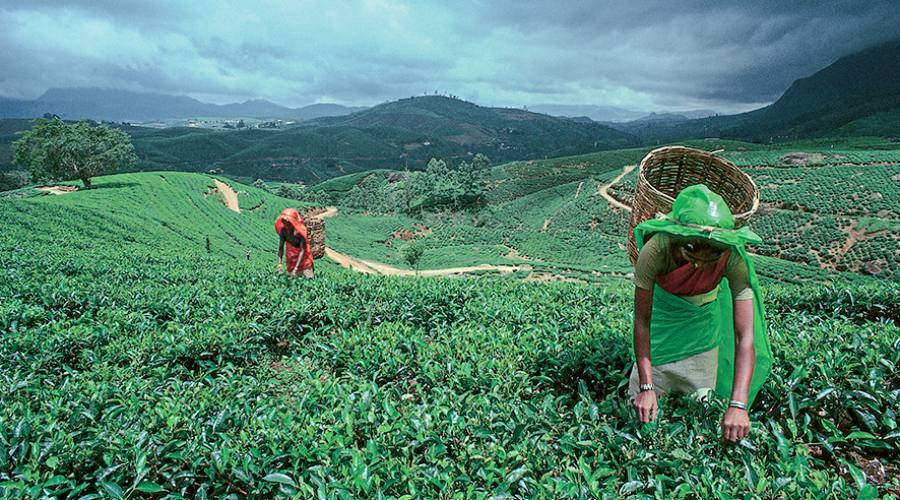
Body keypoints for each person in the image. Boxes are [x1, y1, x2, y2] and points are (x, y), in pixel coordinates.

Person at [628, 184, 772, 443]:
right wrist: (646, 386)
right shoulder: (656, 250)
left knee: (700, 423)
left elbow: (745, 336)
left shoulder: (733, 258)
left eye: (710, 259)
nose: (699, 267)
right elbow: (642, 321)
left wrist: (738, 404)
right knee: (642, 423)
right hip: (660, 336)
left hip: (702, 340)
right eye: (691, 255)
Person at [275, 208, 315, 278]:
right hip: (291, 260)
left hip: (304, 261)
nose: (286, 226)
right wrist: (279, 265)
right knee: (291, 279)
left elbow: (302, 251)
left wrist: (296, 269)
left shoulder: (300, 232)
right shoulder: (283, 231)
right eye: (284, 222)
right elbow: (281, 248)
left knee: (308, 279)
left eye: (288, 223)